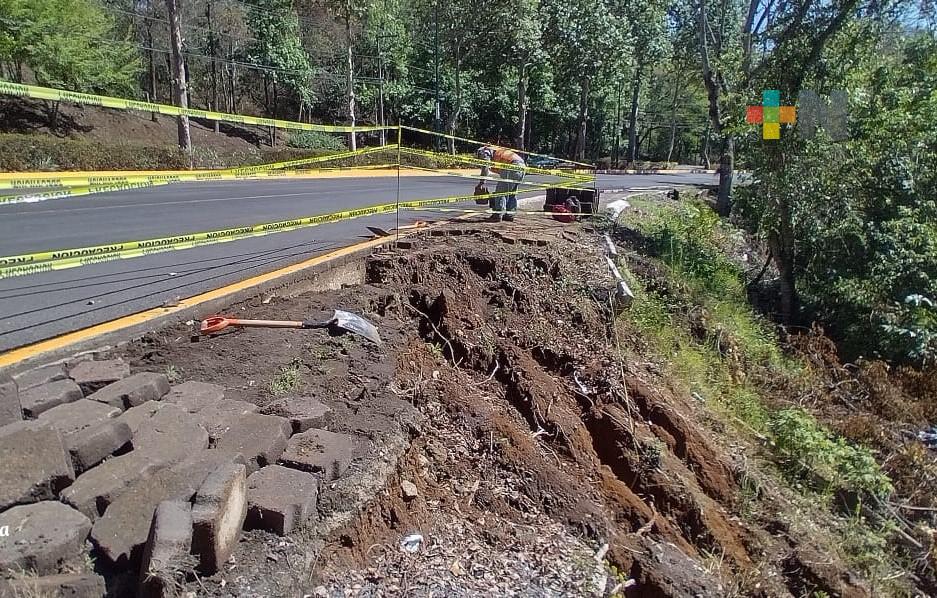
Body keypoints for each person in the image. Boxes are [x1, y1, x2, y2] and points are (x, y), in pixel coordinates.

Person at [475, 145, 526, 222]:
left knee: (500, 192)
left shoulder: (484, 152)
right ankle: (509, 214)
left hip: (511, 166)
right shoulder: (495, 150)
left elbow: (485, 167)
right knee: (511, 192)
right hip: (521, 166)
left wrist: (482, 182)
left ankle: (498, 214)